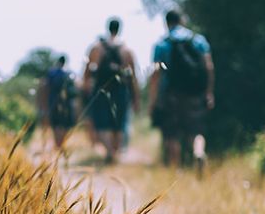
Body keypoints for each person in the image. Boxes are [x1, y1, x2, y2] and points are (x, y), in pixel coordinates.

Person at [149, 10, 215, 167]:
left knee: (172, 134)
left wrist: (153, 101)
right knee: (196, 129)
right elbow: (209, 67)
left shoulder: (162, 44)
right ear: (182, 21)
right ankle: (199, 152)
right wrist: (209, 92)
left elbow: (156, 75)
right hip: (195, 92)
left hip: (171, 93)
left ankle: (175, 170)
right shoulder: (198, 40)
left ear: (166, 23)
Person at [83, 18, 140, 164]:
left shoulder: (96, 47)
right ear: (120, 29)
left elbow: (87, 73)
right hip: (121, 90)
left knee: (103, 122)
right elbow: (133, 77)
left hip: (101, 89)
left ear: (107, 28)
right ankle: (115, 152)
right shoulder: (127, 50)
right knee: (119, 123)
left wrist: (86, 93)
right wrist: (135, 98)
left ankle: (109, 151)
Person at [39, 55, 77, 148]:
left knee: (56, 124)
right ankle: (61, 143)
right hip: (67, 103)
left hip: (53, 102)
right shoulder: (69, 73)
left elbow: (45, 87)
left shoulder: (51, 73)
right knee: (65, 124)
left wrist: (43, 103)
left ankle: (58, 144)